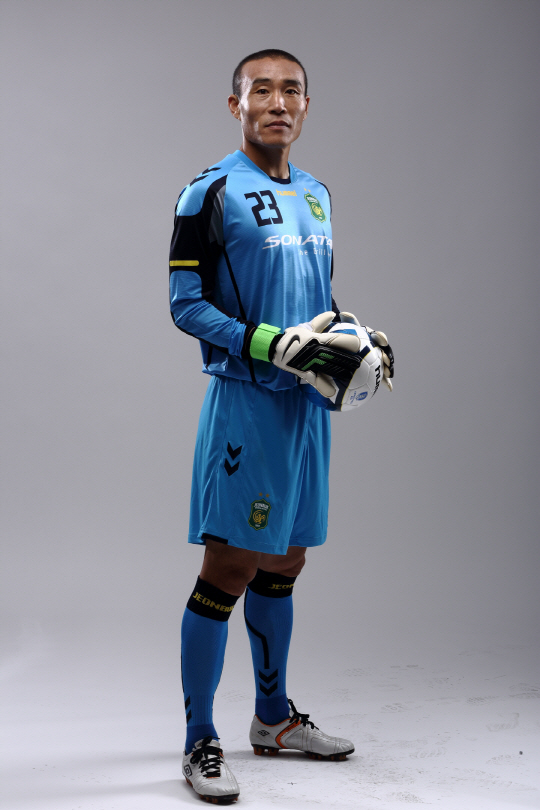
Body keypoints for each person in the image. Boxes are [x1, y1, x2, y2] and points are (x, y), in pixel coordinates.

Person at [169, 48, 394, 804]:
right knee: (228, 569)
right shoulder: (207, 192)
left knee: (287, 561)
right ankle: (200, 740)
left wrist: (354, 337)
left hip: (308, 407)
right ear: (235, 105)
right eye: (260, 90)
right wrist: (266, 344)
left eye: (290, 90)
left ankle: (272, 721)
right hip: (248, 402)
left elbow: (315, 300)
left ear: (305, 105)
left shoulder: (319, 193)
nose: (277, 102)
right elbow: (185, 306)